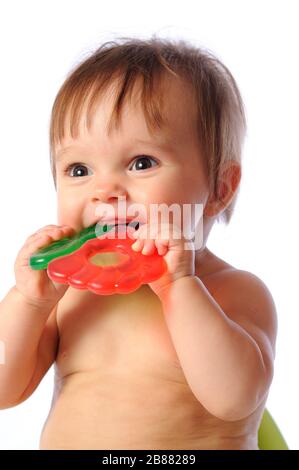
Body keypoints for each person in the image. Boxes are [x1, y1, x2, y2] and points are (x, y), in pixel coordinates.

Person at [0, 37, 277, 450]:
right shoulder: (69, 297)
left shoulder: (233, 291)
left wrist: (178, 286)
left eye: (141, 163)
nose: (105, 190)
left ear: (219, 188)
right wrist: (29, 302)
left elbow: (235, 399)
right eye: (79, 169)